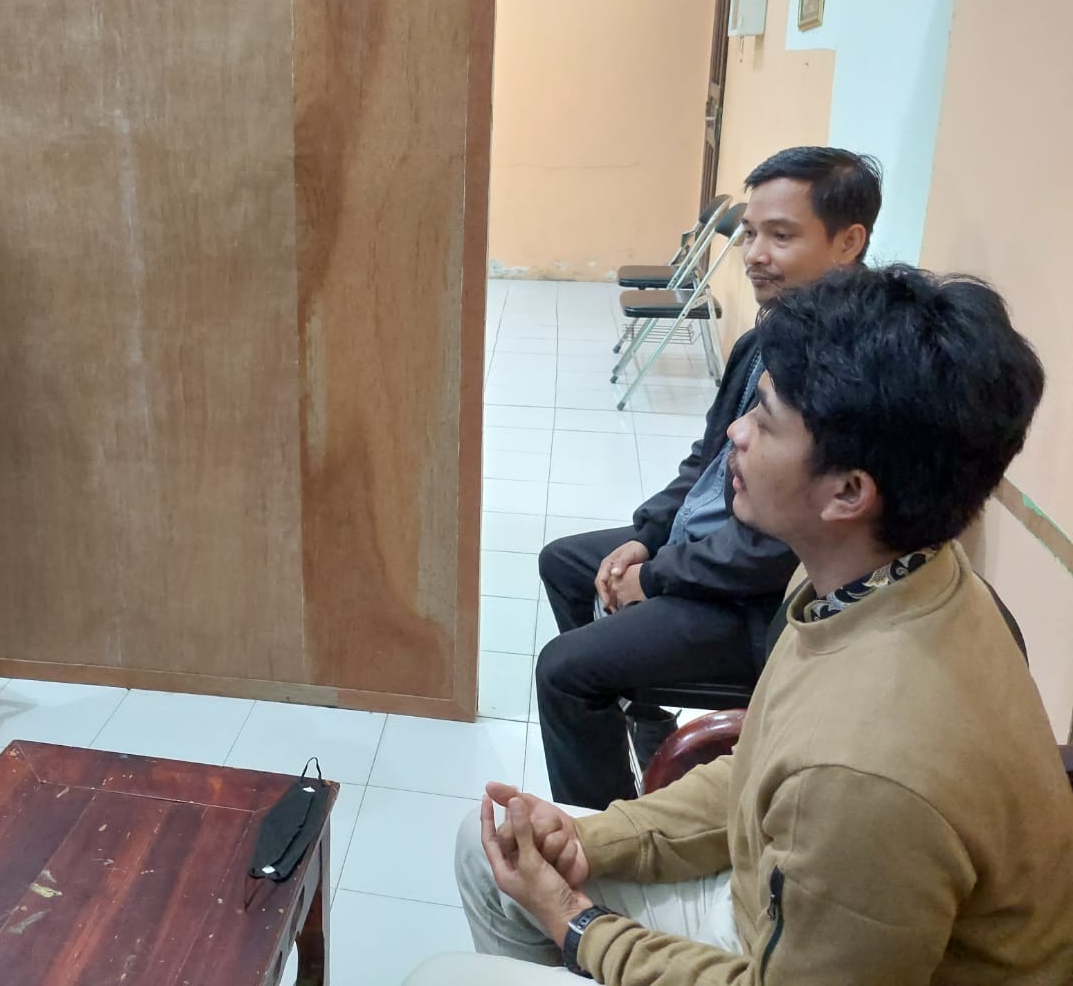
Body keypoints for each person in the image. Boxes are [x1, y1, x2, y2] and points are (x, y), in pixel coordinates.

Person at [409, 265, 1073, 984]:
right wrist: (594, 836)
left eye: (764, 418)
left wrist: (576, 924)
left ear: (849, 492)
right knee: (495, 854)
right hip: (787, 903)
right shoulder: (892, 578)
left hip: (791, 948)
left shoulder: (866, 777)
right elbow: (757, 773)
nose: (736, 432)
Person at [535, 146, 881, 809]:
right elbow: (706, 458)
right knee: (567, 564)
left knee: (564, 671)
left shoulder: (843, 370)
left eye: (781, 236)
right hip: (709, 552)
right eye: (749, 233)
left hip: (756, 602)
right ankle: (643, 713)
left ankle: (606, 836)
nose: (754, 254)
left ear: (848, 242)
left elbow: (775, 551)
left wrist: (654, 577)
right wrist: (645, 538)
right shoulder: (768, 336)